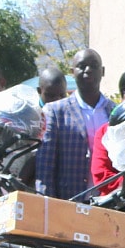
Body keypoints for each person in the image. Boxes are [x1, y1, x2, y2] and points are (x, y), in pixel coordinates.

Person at [34, 49, 109, 199]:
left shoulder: (114, 112)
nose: (88, 70)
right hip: (69, 202)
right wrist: (47, 207)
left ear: (102, 71)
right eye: (81, 66)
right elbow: (45, 169)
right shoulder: (55, 111)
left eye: (93, 65)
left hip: (109, 201)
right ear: (72, 72)